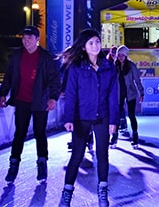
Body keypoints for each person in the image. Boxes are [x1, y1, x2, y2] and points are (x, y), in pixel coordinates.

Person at [58, 29, 119, 207]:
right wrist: (68, 118)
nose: (95, 46)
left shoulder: (109, 67)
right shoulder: (76, 68)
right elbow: (71, 94)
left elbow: (113, 96)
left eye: (97, 42)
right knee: (77, 155)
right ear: (84, 47)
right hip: (81, 117)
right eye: (91, 43)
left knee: (102, 154)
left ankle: (102, 191)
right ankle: (67, 191)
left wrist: (114, 120)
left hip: (102, 116)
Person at [0, 25, 61, 184]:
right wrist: (3, 94)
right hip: (21, 100)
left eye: (29, 39)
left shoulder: (47, 58)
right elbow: (8, 76)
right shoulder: (17, 56)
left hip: (40, 101)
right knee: (19, 133)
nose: (26, 42)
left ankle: (42, 163)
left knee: (40, 133)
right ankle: (13, 165)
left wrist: (53, 97)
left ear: (37, 39)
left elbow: (55, 79)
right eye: (24, 39)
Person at [111, 45, 144, 148]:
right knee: (116, 116)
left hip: (130, 93)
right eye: (119, 55)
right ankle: (114, 136)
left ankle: (135, 136)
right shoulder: (114, 66)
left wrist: (141, 93)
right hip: (118, 94)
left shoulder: (131, 66)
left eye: (122, 55)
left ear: (126, 56)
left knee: (131, 115)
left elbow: (137, 80)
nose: (120, 57)